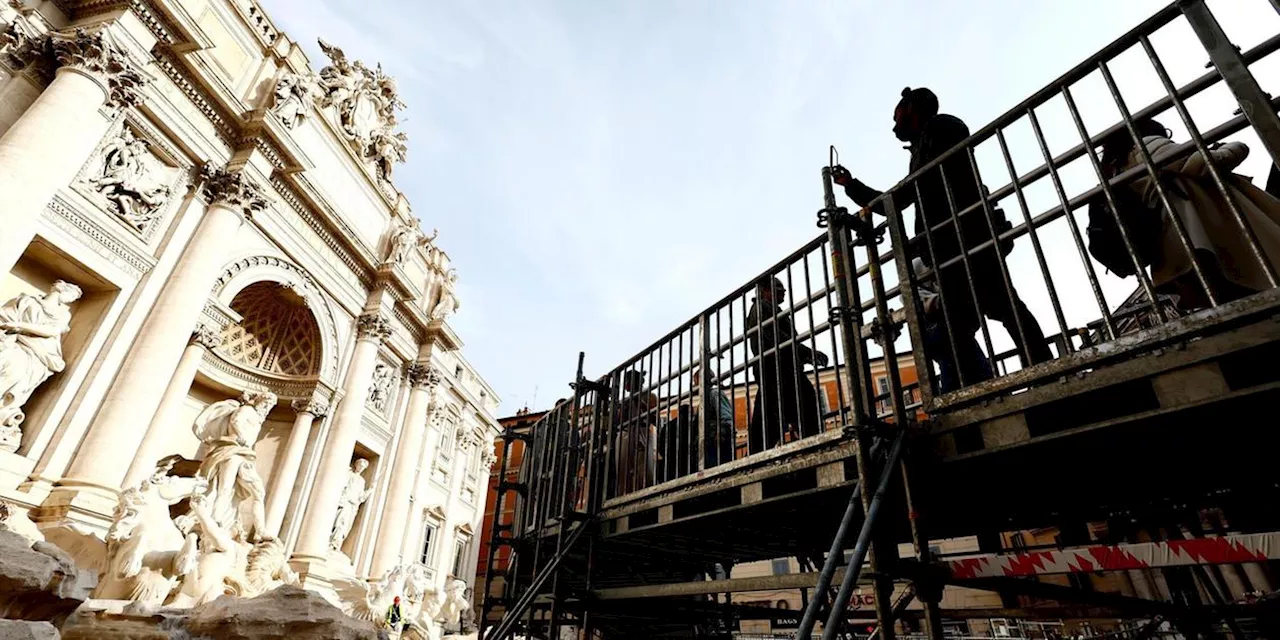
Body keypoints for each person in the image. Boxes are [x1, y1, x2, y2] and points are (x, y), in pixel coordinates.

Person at [832, 87, 1052, 386]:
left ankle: (1041, 371)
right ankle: (993, 382)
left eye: (899, 116)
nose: (894, 125)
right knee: (969, 321)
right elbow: (903, 197)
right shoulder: (928, 141)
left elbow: (903, 196)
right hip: (951, 244)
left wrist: (855, 187)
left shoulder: (941, 128)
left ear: (913, 109)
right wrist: (852, 185)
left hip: (966, 238)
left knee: (998, 310)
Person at [1105, 118, 1280, 311]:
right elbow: (1206, 163)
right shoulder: (1146, 146)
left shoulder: (1116, 170)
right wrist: (1234, 146)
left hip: (1173, 244)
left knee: (1235, 307)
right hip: (1200, 234)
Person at [746, 277, 828, 454]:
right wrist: (806, 353)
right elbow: (774, 338)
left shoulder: (771, 310)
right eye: (778, 289)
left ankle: (812, 446)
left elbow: (783, 340)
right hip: (778, 371)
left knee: (770, 421)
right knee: (800, 410)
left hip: (779, 371)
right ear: (765, 291)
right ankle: (815, 447)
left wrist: (805, 353)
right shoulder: (761, 308)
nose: (783, 292)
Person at [914, 258, 991, 394]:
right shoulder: (919, 263)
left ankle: (955, 404)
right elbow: (910, 296)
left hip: (944, 327)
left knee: (959, 366)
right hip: (940, 326)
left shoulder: (927, 263)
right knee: (964, 365)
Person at [692, 367, 736, 468]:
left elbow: (727, 418)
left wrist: (721, 434)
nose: (694, 385)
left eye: (696, 381)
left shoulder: (714, 393)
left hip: (715, 444)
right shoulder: (706, 398)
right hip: (708, 445)